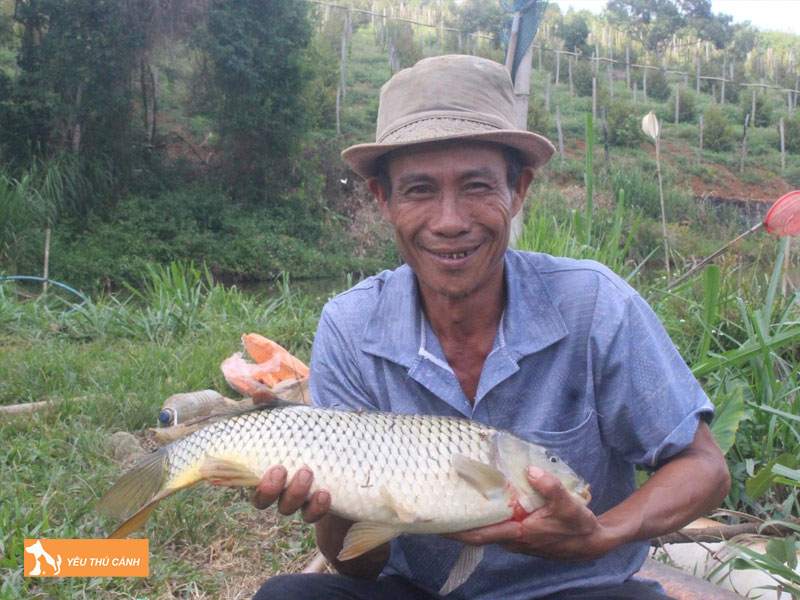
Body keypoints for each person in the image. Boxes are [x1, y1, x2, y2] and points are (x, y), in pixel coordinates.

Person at [251, 55, 730, 600]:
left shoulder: (594, 303)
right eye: (419, 190)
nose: (450, 221)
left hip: (576, 590)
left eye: (477, 186)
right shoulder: (349, 324)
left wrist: (600, 535)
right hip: (419, 591)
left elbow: (704, 466)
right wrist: (329, 507)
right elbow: (357, 566)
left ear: (518, 189)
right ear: (384, 199)